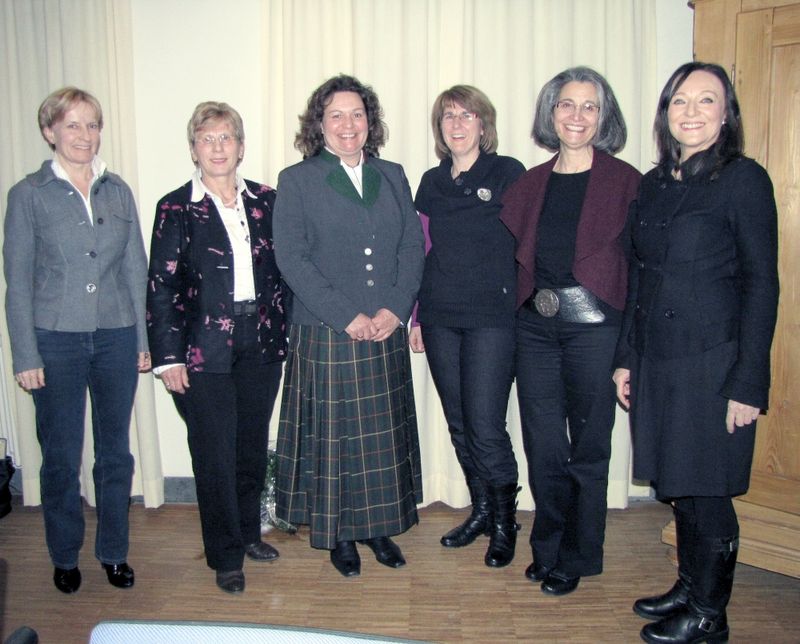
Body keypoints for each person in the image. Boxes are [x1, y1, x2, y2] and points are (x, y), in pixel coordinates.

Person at [613, 62, 779, 644]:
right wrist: (626, 357)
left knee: (707, 490)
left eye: (706, 100)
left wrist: (749, 382)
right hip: (657, 359)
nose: (691, 111)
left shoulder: (743, 180)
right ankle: (689, 586)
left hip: (712, 362)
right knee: (679, 483)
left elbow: (762, 284)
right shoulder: (655, 183)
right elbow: (639, 277)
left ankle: (710, 615)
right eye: (680, 100)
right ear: (665, 114)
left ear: (726, 114)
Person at [273, 74, 424, 578]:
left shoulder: (393, 174)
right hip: (326, 330)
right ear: (319, 124)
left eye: (357, 114)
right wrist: (346, 316)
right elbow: (292, 259)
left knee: (378, 438)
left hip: (384, 326)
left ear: (369, 122)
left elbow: (411, 246)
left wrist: (395, 309)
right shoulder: (297, 180)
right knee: (335, 441)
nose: (348, 124)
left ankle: (378, 527)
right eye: (336, 115)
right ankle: (338, 533)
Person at [500, 67, 641, 596]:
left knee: (588, 448)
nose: (576, 116)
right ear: (551, 113)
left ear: (603, 117)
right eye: (566, 104)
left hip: (596, 331)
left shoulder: (626, 183)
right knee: (543, 447)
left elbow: (639, 271)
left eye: (589, 106)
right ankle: (549, 546)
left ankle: (580, 554)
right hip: (536, 330)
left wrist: (629, 351)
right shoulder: (530, 184)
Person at [3, 87, 149, 593]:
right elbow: (17, 282)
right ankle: (64, 555)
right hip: (55, 340)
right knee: (62, 457)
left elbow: (135, 270)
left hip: (116, 335)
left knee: (115, 455)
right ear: (50, 132)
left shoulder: (118, 190)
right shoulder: (28, 194)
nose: (84, 135)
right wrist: (25, 353)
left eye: (92, 125)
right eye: (72, 125)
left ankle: (114, 552)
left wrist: (142, 338)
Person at [146, 102, 287, 594]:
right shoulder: (175, 208)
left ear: (241, 147)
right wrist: (168, 357)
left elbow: (286, 271)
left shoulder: (267, 201)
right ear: (194, 150)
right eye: (207, 139)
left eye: (226, 137)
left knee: (250, 446)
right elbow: (161, 286)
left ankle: (248, 533)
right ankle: (225, 555)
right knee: (214, 454)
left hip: (261, 341)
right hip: (202, 349)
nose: (218, 147)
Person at [410, 85, 524, 567]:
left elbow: (527, 243)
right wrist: (416, 315)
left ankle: (505, 523)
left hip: (492, 318)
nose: (457, 124)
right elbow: (421, 249)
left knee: (485, 426)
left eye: (466, 115)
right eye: (448, 116)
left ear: (483, 124)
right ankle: (481, 511)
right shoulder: (431, 181)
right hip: (440, 316)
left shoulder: (508, 173)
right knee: (459, 424)